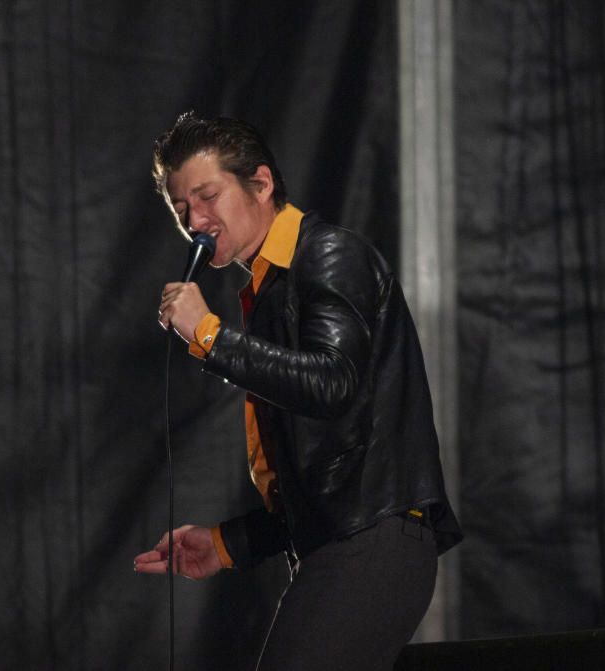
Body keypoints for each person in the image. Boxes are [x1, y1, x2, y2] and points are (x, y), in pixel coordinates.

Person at [134, 112, 462, 670]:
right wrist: (226, 544)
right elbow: (321, 469)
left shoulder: (328, 255)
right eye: (182, 208)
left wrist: (210, 336)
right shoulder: (265, 291)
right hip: (342, 543)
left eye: (207, 196)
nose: (195, 220)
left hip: (373, 542)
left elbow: (331, 383)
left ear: (261, 184)